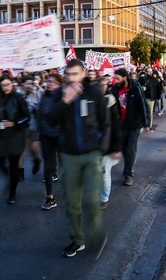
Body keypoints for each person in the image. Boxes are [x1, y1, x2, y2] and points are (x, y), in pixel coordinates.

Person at [47, 59, 109, 259]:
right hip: (69, 156)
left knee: (91, 200)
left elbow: (105, 123)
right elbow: (50, 119)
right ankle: (77, 240)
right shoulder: (59, 94)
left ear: (83, 73)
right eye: (69, 74)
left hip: (91, 154)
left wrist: (103, 148)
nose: (72, 78)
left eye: (76, 74)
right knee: (72, 203)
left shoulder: (94, 93)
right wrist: (65, 101)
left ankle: (96, 233)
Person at [0, 74, 30, 204]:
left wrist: (14, 123)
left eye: (8, 84)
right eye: (3, 85)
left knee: (13, 165)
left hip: (16, 136)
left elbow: (27, 117)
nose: (6, 87)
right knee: (0, 163)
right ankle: (14, 178)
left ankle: (12, 192)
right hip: (1, 137)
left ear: (12, 84)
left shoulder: (18, 98)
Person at [111, 68, 150, 186]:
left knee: (130, 149)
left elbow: (143, 105)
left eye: (118, 78)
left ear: (125, 77)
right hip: (121, 124)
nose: (116, 81)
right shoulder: (114, 89)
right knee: (123, 149)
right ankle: (128, 168)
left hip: (134, 124)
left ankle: (128, 175)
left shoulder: (135, 88)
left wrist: (146, 123)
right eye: (115, 78)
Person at [37, 73, 63, 210]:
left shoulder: (64, 97)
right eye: (48, 81)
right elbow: (40, 116)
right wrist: (38, 136)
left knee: (65, 163)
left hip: (62, 136)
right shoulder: (44, 97)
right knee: (47, 166)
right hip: (47, 136)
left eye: (53, 82)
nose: (50, 84)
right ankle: (50, 197)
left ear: (60, 84)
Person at [95, 76, 121, 208]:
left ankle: (104, 198)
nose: (103, 87)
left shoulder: (110, 101)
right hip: (94, 144)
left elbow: (115, 125)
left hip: (107, 144)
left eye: (105, 85)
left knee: (105, 174)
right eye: (100, 85)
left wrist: (116, 147)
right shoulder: (92, 100)